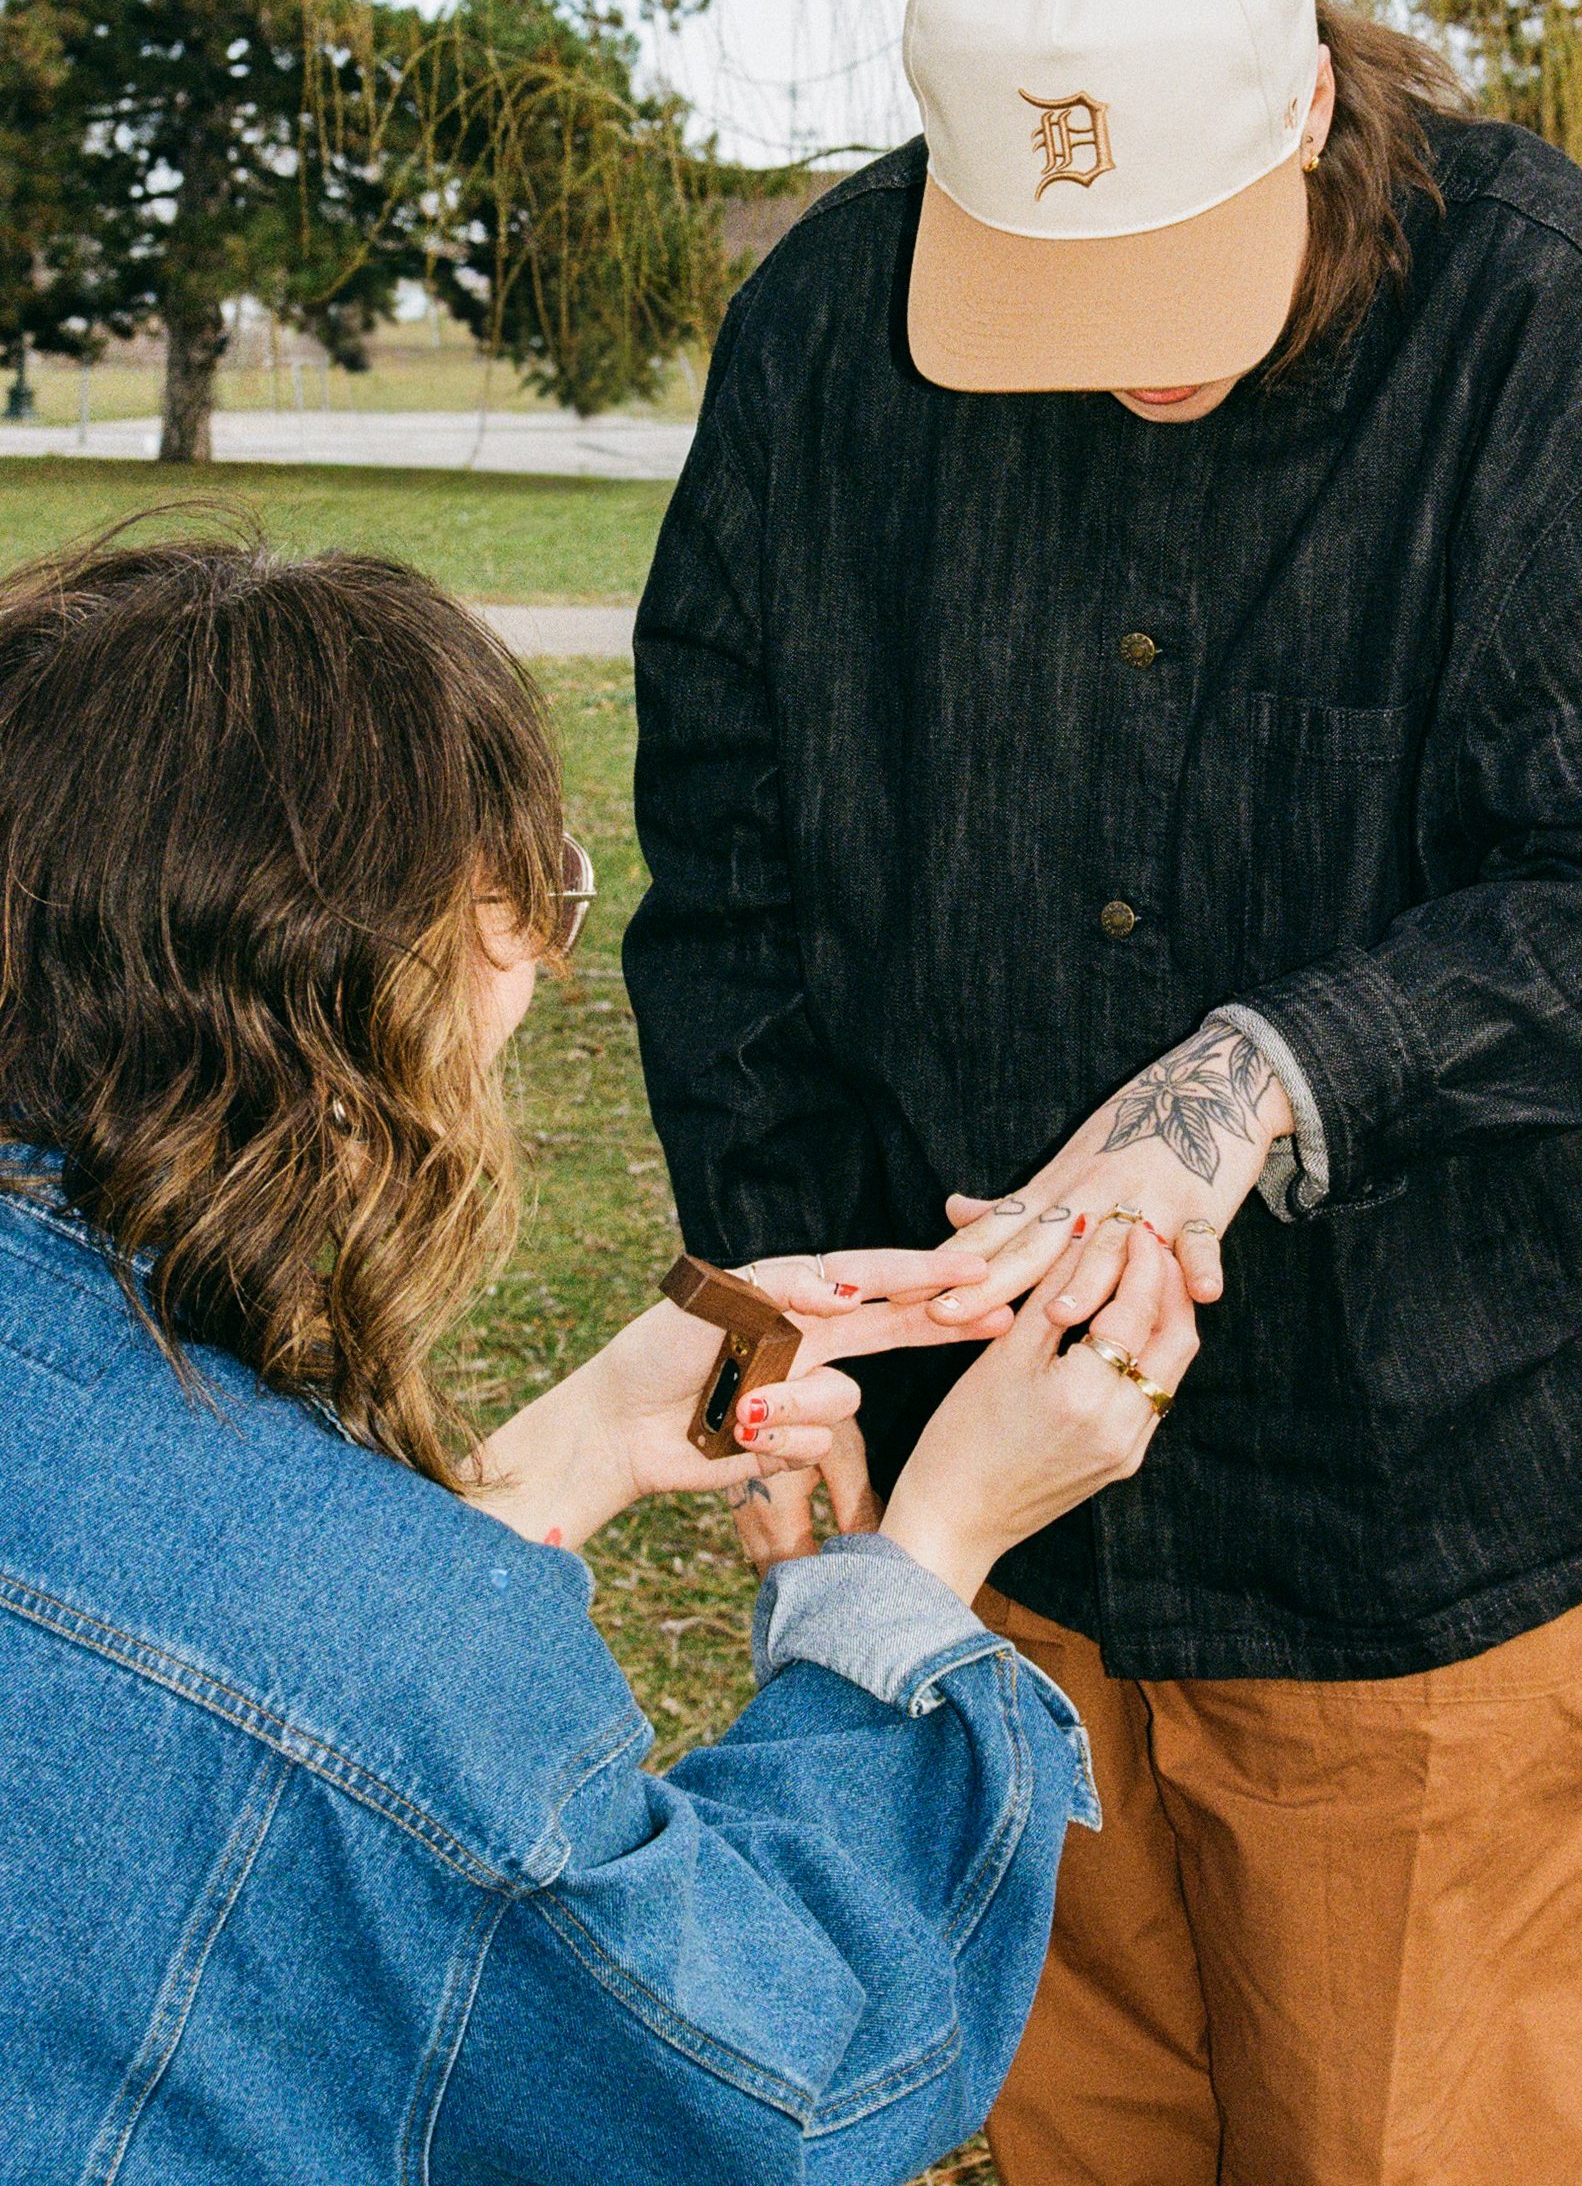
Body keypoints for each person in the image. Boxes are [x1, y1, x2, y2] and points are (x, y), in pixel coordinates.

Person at [624, 0, 1582, 2185]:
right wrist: (784, 1342)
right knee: (1068, 2133)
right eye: (1049, 294)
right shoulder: (823, 337)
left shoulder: (1555, 340)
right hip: (997, 1523)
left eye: (1170, 283)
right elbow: (733, 887)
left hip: (1425, 1525)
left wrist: (1273, 1068)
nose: (1120, 371)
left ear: (1302, 107)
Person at [0, 534, 1200, 2186]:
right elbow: (771, 2088)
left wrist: (568, 1452)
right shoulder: (403, 1655)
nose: (549, 962)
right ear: (352, 997)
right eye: (537, 892)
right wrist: (928, 1560)